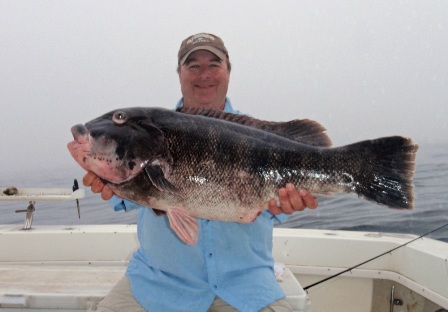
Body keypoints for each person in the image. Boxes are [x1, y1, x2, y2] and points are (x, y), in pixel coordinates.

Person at [86, 33, 318, 312]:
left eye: (213, 65)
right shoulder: (148, 135)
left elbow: (268, 208)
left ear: (228, 72)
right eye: (193, 65)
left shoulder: (257, 137)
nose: (203, 74)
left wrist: (286, 204)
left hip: (246, 287)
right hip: (159, 285)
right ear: (180, 73)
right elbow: (129, 191)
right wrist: (109, 181)